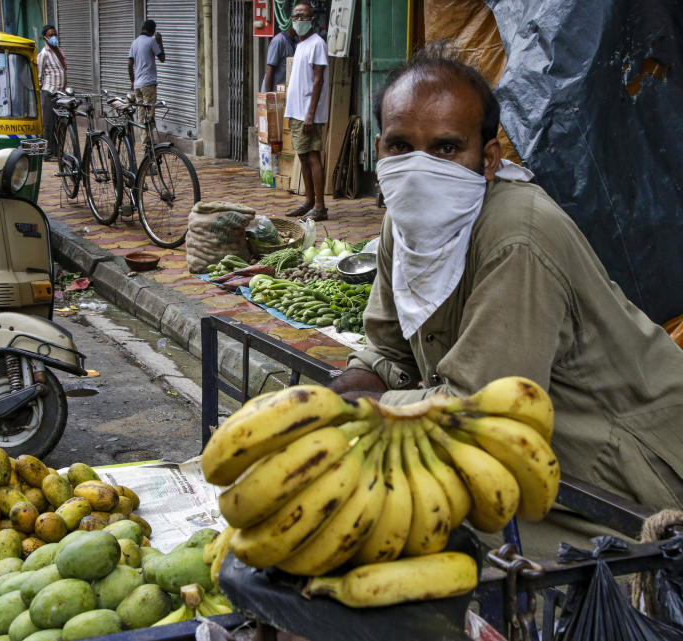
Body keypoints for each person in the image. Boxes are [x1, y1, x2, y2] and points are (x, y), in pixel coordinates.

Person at [328, 42, 683, 517]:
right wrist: (336, 394)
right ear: (380, 150)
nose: (419, 169)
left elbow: (482, 411)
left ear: (489, 158)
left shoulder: (518, 236)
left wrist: (369, 403)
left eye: (446, 148)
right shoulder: (402, 221)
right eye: (400, 146)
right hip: (521, 452)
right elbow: (387, 348)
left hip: (624, 469)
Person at [282, 2, 329, 222]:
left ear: (312, 19)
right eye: (296, 16)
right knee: (302, 157)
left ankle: (320, 206)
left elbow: (318, 79)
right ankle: (309, 201)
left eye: (304, 16)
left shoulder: (317, 43)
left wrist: (310, 114)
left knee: (312, 157)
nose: (299, 20)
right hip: (297, 112)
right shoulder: (300, 44)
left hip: (308, 113)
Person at [128, 20, 165, 147]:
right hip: (148, 84)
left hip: (138, 85)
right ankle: (148, 144)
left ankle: (145, 142)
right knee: (149, 114)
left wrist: (132, 81)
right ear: (152, 31)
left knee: (141, 113)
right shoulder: (151, 41)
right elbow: (162, 58)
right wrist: (160, 43)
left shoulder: (134, 42)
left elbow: (130, 64)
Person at [37, 24, 66, 161]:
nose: (54, 37)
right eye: (50, 35)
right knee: (48, 124)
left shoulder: (59, 51)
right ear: (45, 38)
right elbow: (39, 75)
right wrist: (43, 91)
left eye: (55, 34)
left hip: (61, 94)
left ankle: (57, 151)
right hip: (49, 92)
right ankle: (47, 153)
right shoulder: (44, 54)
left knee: (59, 124)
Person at [262, 24, 297, 93]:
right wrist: (269, 95)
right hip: (273, 91)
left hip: (283, 91)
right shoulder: (278, 41)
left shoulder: (294, 42)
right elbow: (270, 68)